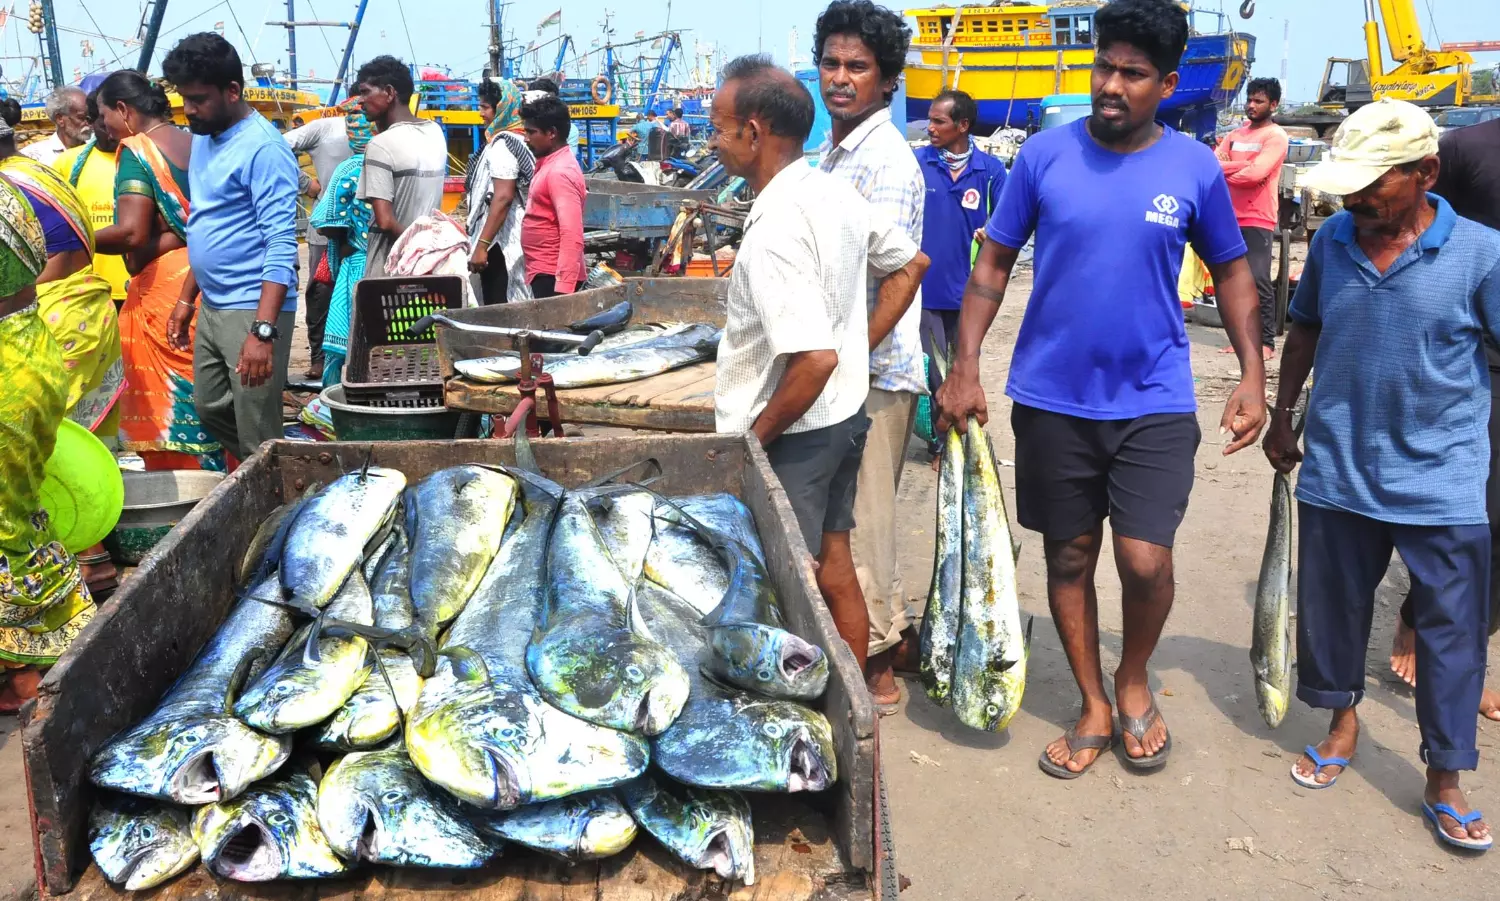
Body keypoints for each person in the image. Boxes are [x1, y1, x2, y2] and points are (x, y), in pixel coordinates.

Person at [936, 0, 1266, 776]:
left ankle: (1132, 674)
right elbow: (991, 264)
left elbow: (1233, 271)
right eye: (1103, 67)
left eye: (1133, 73)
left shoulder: (1191, 167)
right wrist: (963, 363)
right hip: (1051, 398)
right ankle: (1091, 696)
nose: (1111, 85)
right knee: (1069, 558)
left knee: (1147, 561)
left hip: (1153, 398)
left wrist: (1253, 373)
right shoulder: (1043, 157)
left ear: (1168, 82)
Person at [1264, 98, 1500, 852]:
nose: (1353, 200)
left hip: (1444, 480)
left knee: (1453, 632)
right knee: (1331, 613)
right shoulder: (1334, 241)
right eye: (1347, 185)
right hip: (1338, 466)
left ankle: (1446, 774)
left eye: (1373, 184)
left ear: (1426, 173)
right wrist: (1281, 413)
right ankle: (1341, 723)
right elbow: (1304, 325)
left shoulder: (1483, 254)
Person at [712, 54, 928, 671]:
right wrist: (859, 344)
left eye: (720, 128)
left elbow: (814, 360)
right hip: (842, 419)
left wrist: (751, 444)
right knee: (835, 569)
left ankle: (811, 725)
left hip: (796, 434)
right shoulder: (831, 189)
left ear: (754, 134)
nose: (715, 142)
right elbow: (912, 264)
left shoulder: (776, 226)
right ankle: (859, 714)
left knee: (783, 589)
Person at [814, 0, 927, 708]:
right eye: (831, 63)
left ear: (888, 81)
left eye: (858, 67)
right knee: (842, 522)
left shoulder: (883, 161)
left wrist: (849, 362)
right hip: (841, 367)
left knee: (865, 525)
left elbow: (899, 278)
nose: (841, 78)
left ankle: (880, 663)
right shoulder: (834, 152)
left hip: (871, 372)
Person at [1387, 110, 1500, 723]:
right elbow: (1417, 227)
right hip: (1468, 352)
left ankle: (1470, 651)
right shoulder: (1467, 147)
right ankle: (1417, 619)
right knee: (1471, 514)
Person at [163, 33, 299, 463]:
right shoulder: (204, 135)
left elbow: (281, 243)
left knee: (258, 427)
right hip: (214, 304)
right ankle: (263, 479)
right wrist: (186, 298)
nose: (189, 109)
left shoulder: (264, 150)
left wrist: (263, 331)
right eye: (184, 98)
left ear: (233, 91)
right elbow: (205, 223)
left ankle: (276, 506)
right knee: (209, 407)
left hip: (251, 305)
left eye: (198, 99)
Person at [92, 69, 223, 473]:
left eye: (105, 115)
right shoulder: (197, 142)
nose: (105, 127)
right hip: (209, 277)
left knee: (173, 413)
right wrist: (173, 236)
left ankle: (180, 508)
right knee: (214, 399)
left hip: (165, 294)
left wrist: (71, 233)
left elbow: (131, 233)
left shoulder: (137, 149)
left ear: (123, 110)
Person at [0, 175, 98, 711]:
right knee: (19, 511)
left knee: (6, 525)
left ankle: (25, 673)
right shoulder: (15, 188)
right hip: (28, 342)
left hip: (7, 371)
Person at [0, 131, 124, 446]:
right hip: (83, 308)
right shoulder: (37, 172)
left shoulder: (10, 188)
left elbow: (55, 256)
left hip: (54, 316)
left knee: (40, 447)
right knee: (83, 449)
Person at [913, 88, 1005, 462]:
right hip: (922, 292)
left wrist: (992, 233)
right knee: (931, 374)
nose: (930, 128)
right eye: (930, 120)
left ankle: (960, 443)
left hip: (969, 294)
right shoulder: (918, 164)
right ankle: (940, 444)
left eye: (939, 121)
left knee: (963, 370)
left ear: (963, 125)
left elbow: (1010, 224)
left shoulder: (990, 171)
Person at [1215, 77, 1288, 361]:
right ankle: (1240, 339)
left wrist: (1229, 169)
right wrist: (1242, 164)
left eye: (1259, 101)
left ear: (1273, 104)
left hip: (1258, 217)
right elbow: (1213, 163)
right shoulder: (1235, 134)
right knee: (1233, 279)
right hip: (1230, 215)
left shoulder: (1275, 137)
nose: (1251, 106)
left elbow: (1255, 176)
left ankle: (1266, 342)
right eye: (1250, 100)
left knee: (1258, 279)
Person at [356, 56, 448, 280]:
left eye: (366, 92)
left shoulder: (380, 144)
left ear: (389, 92)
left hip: (389, 267)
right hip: (428, 264)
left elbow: (385, 221)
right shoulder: (435, 132)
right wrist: (428, 251)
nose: (360, 101)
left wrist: (417, 247)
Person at [283, 106, 353, 378]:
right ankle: (319, 356)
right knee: (321, 291)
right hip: (325, 227)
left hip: (366, 227)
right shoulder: (325, 128)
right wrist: (304, 184)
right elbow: (277, 147)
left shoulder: (383, 130)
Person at [309, 100, 375, 388]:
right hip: (395, 261)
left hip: (356, 264)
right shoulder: (395, 161)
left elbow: (326, 223)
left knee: (350, 343)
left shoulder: (347, 170)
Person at [55, 90, 129, 306]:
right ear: (92, 121)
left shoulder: (139, 157)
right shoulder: (68, 163)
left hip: (136, 285)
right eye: (103, 122)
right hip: (87, 288)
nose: (111, 130)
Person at [467, 80, 534, 305]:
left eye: (485, 107)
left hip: (500, 243)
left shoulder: (503, 145)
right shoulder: (522, 139)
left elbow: (503, 197)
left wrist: (482, 246)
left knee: (500, 305)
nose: (480, 113)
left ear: (502, 108)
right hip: (513, 238)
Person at [520, 94, 586, 299]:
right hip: (543, 270)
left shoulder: (559, 172)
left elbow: (572, 232)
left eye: (532, 132)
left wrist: (564, 287)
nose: (526, 138)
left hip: (553, 276)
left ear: (551, 133)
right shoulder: (548, 164)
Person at [22, 86, 89, 166]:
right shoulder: (34, 158)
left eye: (91, 117)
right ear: (60, 119)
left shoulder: (98, 149)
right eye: (81, 118)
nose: (88, 123)